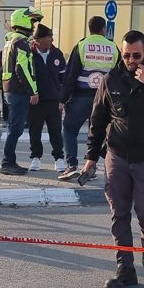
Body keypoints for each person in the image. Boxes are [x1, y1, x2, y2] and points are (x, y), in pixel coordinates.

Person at [81, 30, 144, 288]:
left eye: (136, 55)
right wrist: (91, 157)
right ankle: (125, 268)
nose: (131, 60)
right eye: (126, 55)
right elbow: (97, 119)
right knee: (119, 213)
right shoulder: (111, 79)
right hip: (117, 156)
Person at [58, 15, 119, 180]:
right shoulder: (113, 47)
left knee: (69, 128)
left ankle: (71, 165)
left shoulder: (82, 45)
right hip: (105, 99)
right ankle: (91, 166)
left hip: (82, 97)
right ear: (104, 29)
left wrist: (63, 99)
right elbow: (119, 74)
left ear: (89, 28)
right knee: (97, 133)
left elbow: (71, 75)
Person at [0, 7, 43, 175]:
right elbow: (22, 68)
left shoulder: (9, 42)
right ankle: (7, 163)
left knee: (13, 127)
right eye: (31, 21)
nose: (33, 25)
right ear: (23, 21)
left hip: (10, 90)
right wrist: (33, 91)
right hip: (18, 92)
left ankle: (9, 161)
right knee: (15, 129)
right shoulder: (21, 43)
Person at [27, 24, 67, 172]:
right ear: (38, 40)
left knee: (55, 130)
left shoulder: (57, 54)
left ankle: (59, 158)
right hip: (35, 100)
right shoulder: (29, 54)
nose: (51, 39)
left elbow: (64, 78)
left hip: (54, 100)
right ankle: (36, 158)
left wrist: (63, 99)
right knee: (35, 130)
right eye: (48, 37)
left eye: (51, 36)